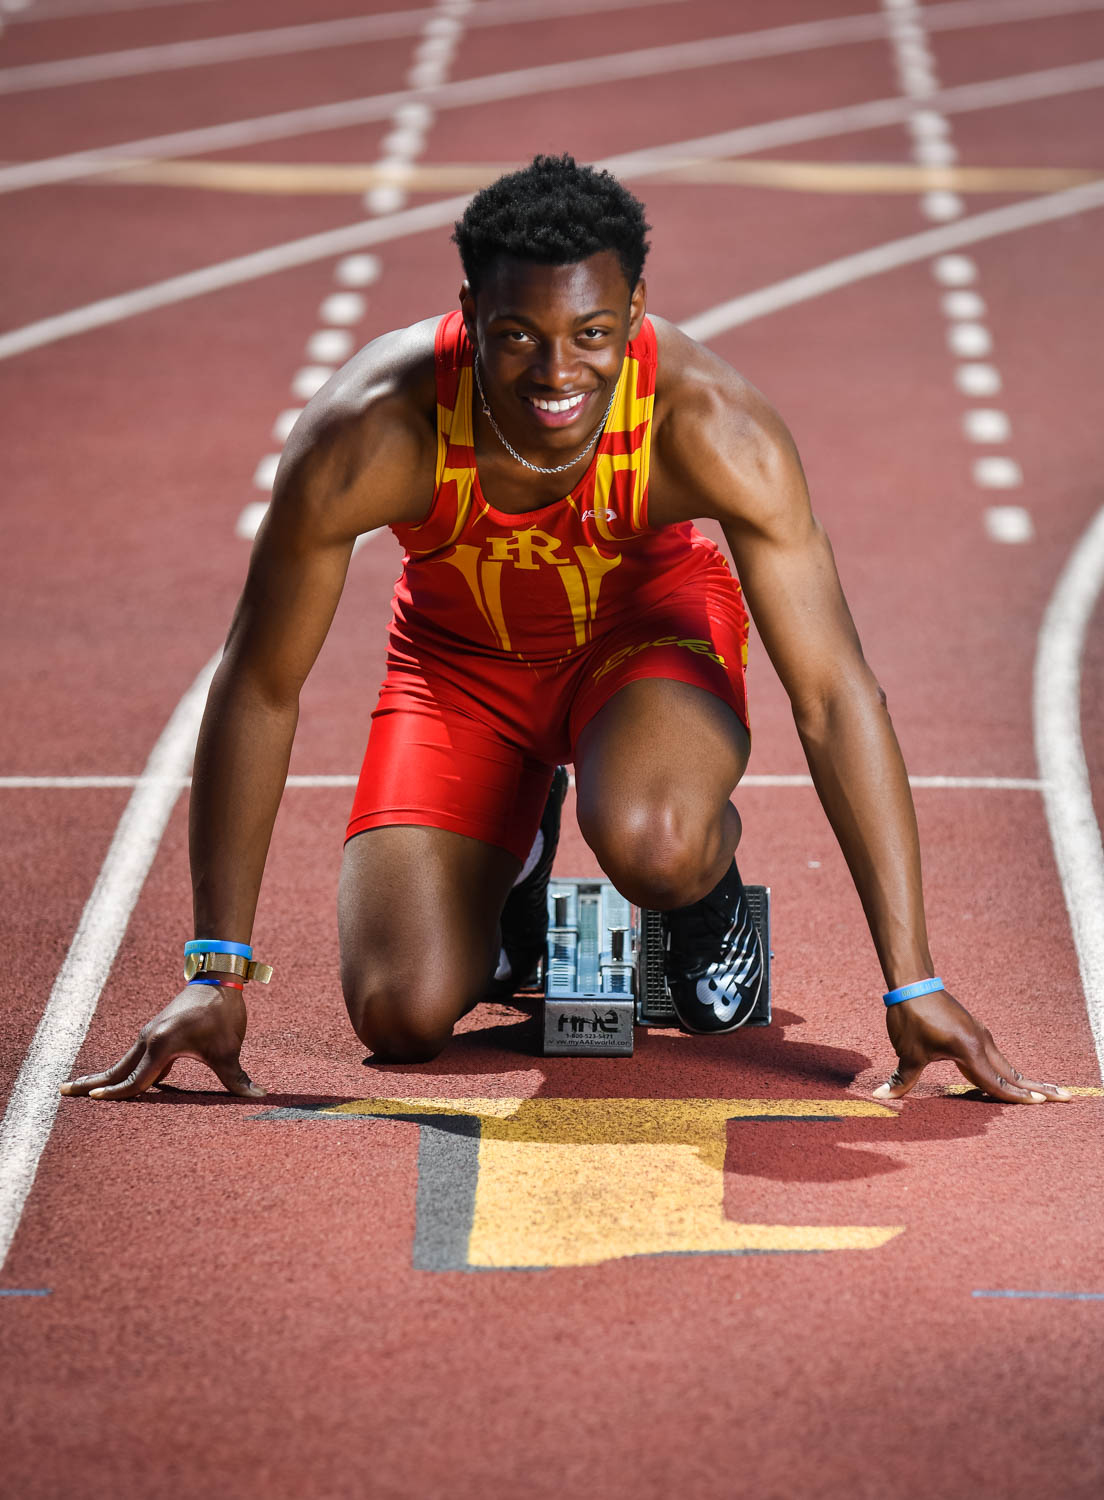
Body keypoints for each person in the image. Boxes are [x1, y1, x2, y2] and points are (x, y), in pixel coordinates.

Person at [62, 155, 1068, 1106]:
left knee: (653, 840)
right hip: (458, 674)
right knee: (400, 1016)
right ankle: (517, 874)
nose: (556, 372)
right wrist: (217, 968)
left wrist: (911, 982)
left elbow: (835, 692)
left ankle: (705, 897)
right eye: (517, 337)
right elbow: (258, 683)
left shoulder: (711, 424)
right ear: (470, 315)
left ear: (634, 309)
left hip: (644, 647)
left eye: (592, 333)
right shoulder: (370, 430)